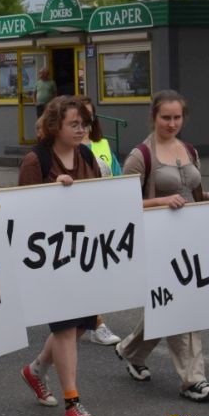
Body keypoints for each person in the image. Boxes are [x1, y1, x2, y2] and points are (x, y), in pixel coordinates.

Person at [115, 90, 209, 402]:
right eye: (165, 117)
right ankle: (193, 379)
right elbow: (120, 204)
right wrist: (160, 201)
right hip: (155, 241)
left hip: (189, 240)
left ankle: (130, 350)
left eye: (177, 117)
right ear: (154, 116)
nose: (171, 123)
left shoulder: (189, 150)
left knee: (165, 303)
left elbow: (195, 196)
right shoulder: (141, 155)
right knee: (181, 305)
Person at [17, 96, 101, 416]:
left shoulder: (86, 155)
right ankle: (72, 402)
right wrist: (53, 192)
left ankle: (36, 370)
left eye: (84, 124)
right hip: (51, 260)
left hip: (84, 254)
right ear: (55, 126)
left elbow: (100, 196)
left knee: (80, 325)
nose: (81, 130)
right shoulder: (36, 160)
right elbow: (23, 213)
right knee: (65, 328)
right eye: (74, 124)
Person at [78, 97, 123, 347]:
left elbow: (118, 177)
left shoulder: (102, 144)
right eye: (79, 117)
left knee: (96, 272)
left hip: (102, 215)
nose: (84, 123)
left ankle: (83, 319)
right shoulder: (62, 149)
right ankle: (96, 324)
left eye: (89, 117)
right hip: (77, 220)